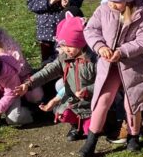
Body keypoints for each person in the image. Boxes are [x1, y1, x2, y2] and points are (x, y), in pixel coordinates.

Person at [81, 0, 143, 157]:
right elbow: (91, 30)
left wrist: (122, 51)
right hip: (109, 65)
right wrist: (100, 47)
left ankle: (134, 136)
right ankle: (91, 141)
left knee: (132, 101)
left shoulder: (142, 13)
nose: (113, 4)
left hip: (133, 64)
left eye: (118, 1)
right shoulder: (104, 9)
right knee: (103, 100)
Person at [18, 13, 97, 141]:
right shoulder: (64, 58)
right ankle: (75, 125)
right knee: (62, 114)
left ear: (81, 42)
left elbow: (103, 81)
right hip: (73, 101)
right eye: (63, 46)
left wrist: (88, 90)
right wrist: (29, 83)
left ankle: (94, 124)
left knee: (91, 130)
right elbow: (48, 71)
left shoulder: (93, 60)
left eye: (70, 46)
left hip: (91, 102)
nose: (66, 49)